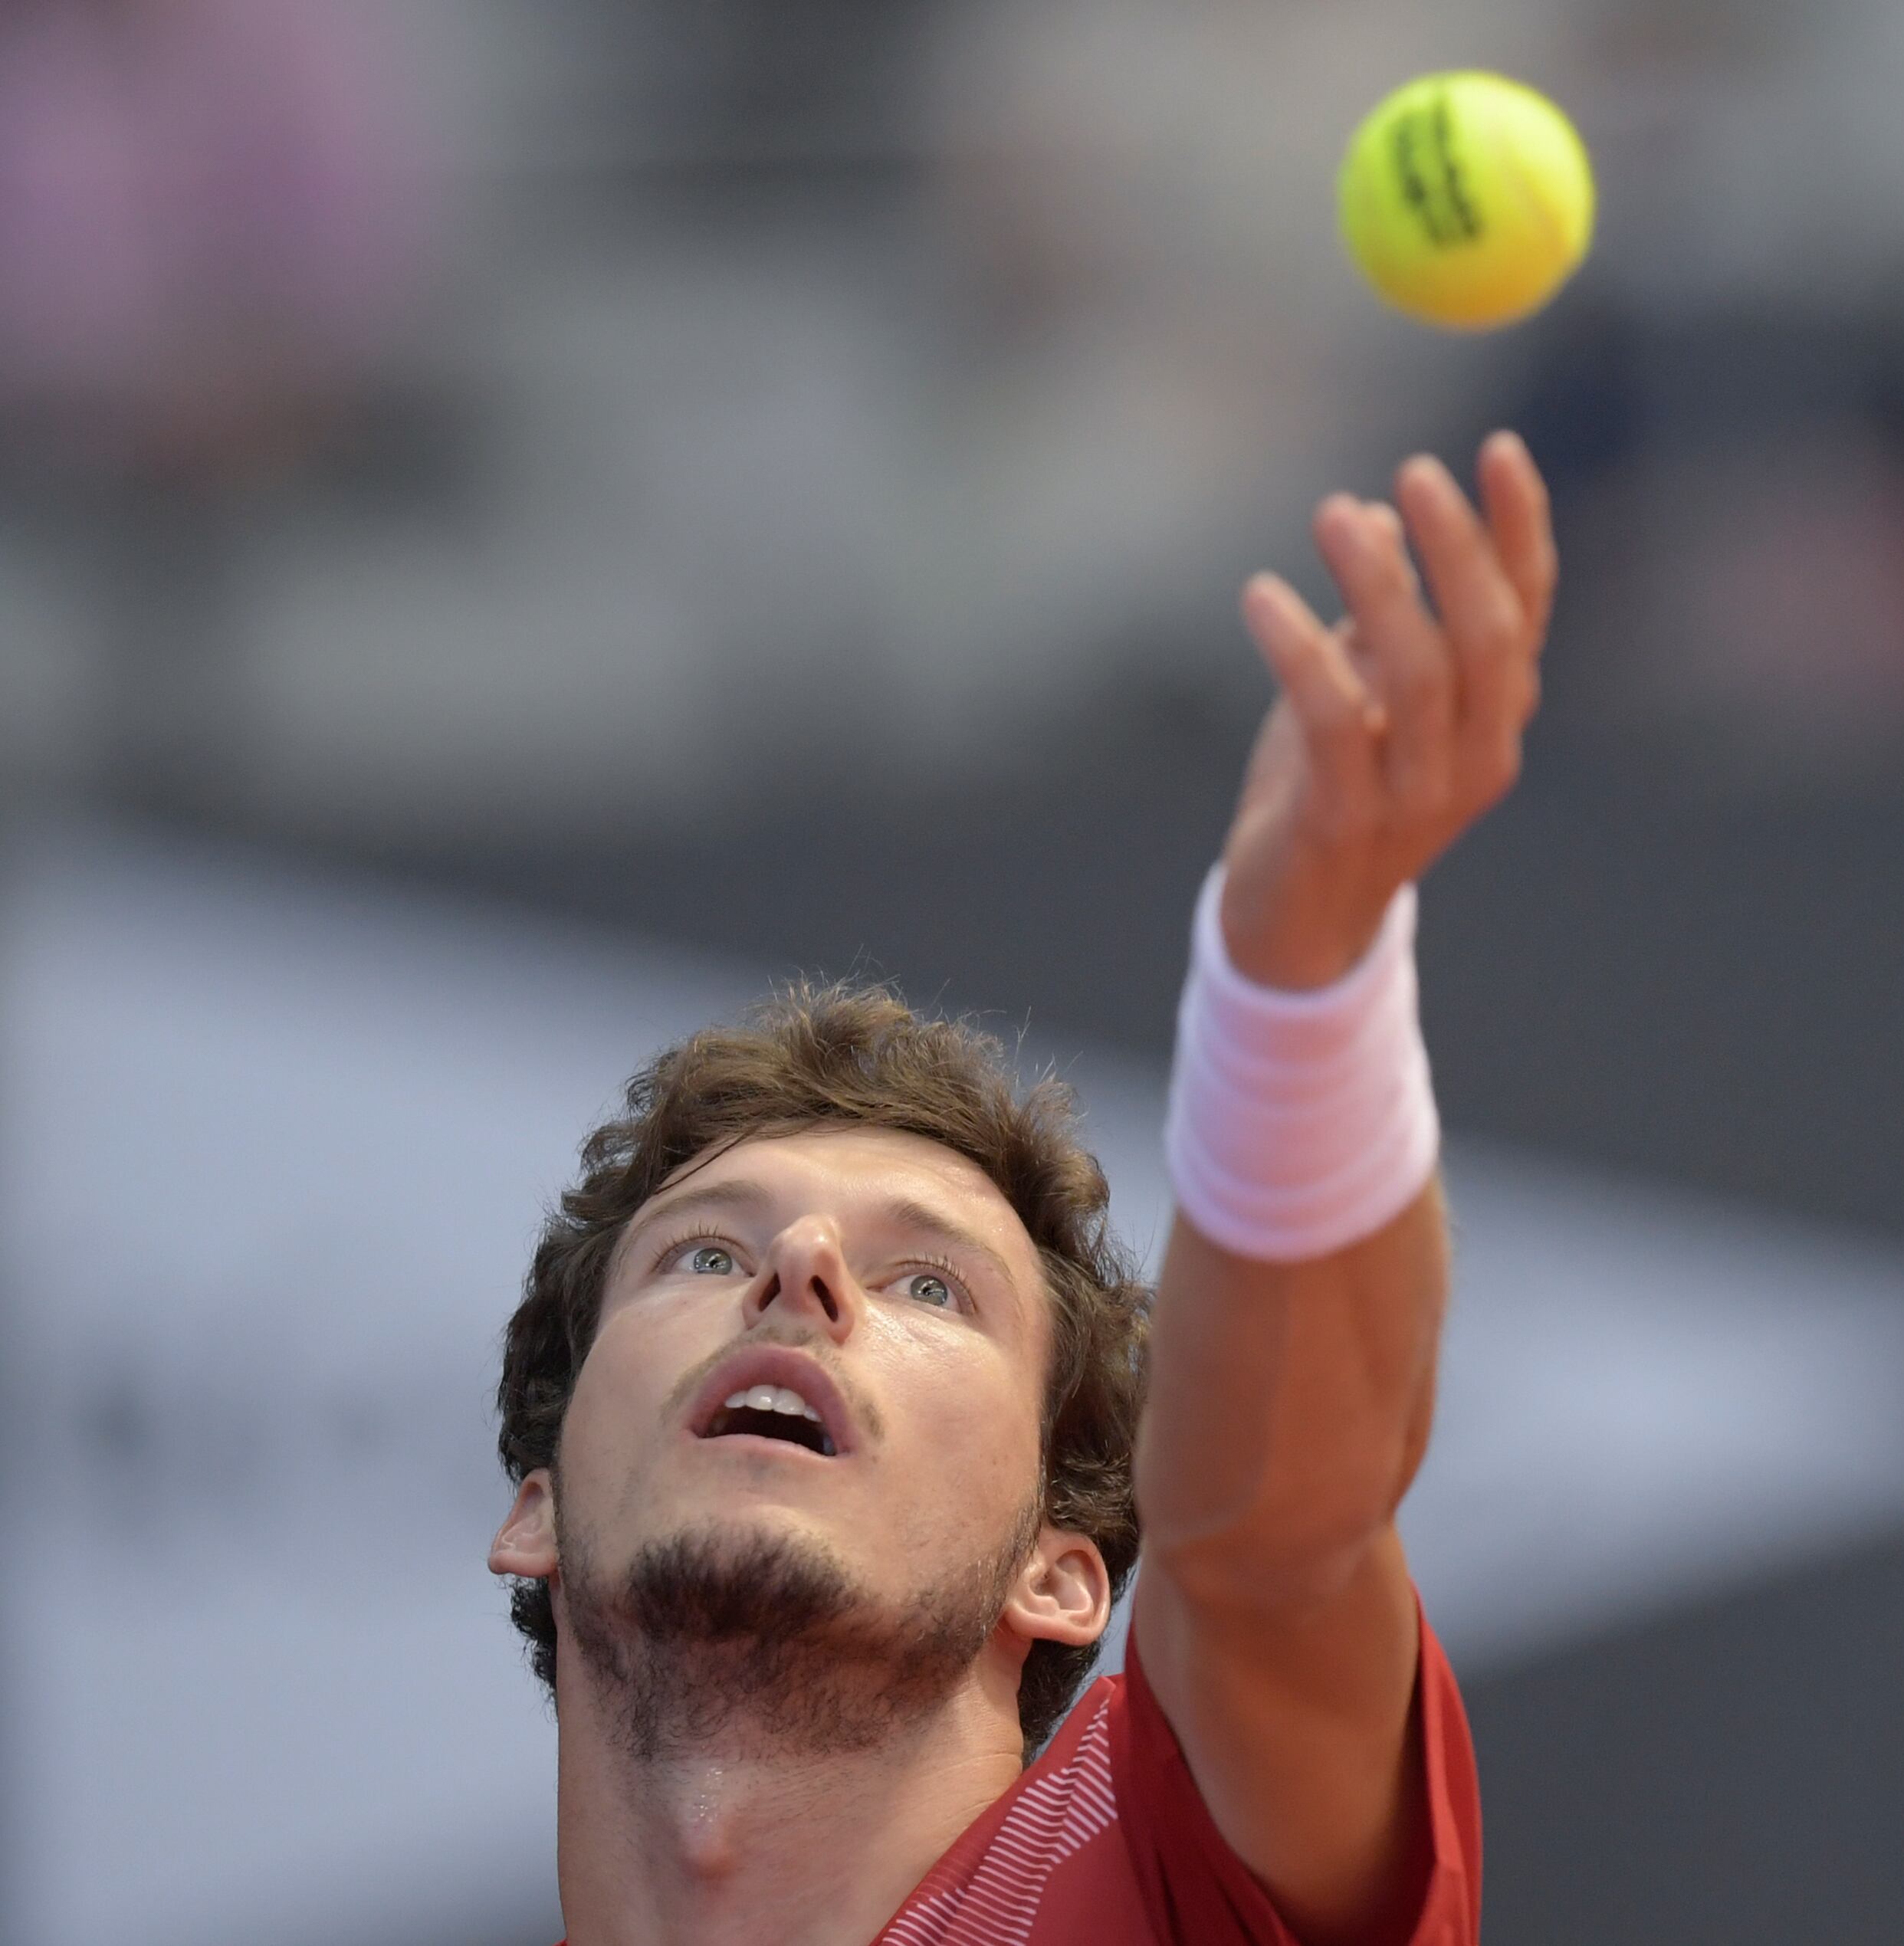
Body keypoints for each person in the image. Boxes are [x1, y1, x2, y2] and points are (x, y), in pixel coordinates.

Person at [487, 432, 1557, 1946]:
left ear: (1059, 1575)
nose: (797, 1265)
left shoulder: (1168, 1877)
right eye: (696, 1258)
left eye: (933, 1286)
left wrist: (1297, 980)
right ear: (536, 1509)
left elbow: (1270, 1538)